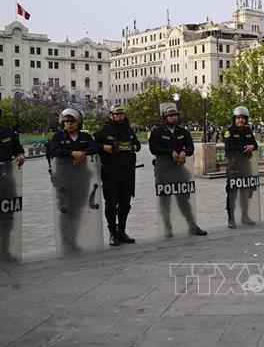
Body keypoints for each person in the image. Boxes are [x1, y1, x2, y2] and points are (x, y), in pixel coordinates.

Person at [149, 103, 207, 237]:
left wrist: (184, 152)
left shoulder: (183, 132)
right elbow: (154, 149)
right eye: (170, 116)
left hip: (179, 171)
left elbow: (191, 147)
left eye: (175, 115)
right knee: (165, 200)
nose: (173, 118)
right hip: (163, 171)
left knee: (184, 201)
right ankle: (167, 227)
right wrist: (170, 152)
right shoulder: (157, 132)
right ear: (165, 117)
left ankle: (192, 225)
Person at [49, 108, 99, 254]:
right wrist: (71, 153)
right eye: (66, 122)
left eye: (72, 122)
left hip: (81, 179)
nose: (69, 124)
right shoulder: (58, 137)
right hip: (64, 181)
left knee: (77, 211)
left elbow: (94, 147)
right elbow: (54, 151)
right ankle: (66, 241)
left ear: (79, 123)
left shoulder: (85, 136)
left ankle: (74, 240)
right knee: (65, 211)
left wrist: (82, 154)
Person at [0, 98, 25, 265]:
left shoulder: (8, 133)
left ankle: (5, 251)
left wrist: (21, 156)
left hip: (6, 182)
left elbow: (18, 150)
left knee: (7, 219)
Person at [94, 105, 141, 246]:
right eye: (117, 114)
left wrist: (134, 147)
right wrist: (103, 147)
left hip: (127, 171)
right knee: (111, 203)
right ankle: (113, 233)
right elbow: (92, 144)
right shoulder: (104, 131)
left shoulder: (129, 130)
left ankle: (122, 231)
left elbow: (137, 144)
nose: (120, 116)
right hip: (110, 172)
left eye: (122, 114)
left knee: (125, 203)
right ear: (111, 115)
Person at [224, 106, 259, 228]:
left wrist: (252, 147)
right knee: (232, 193)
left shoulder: (248, 131)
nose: (241, 120)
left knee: (246, 192)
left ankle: (245, 216)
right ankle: (231, 218)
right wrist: (245, 148)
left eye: (243, 118)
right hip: (234, 166)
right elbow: (229, 147)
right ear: (234, 118)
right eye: (239, 118)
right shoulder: (229, 131)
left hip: (246, 165)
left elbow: (255, 144)